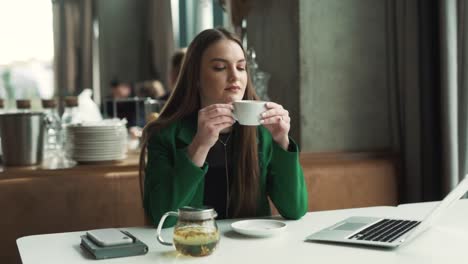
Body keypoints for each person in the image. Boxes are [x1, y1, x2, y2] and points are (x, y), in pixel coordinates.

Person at [140, 28, 307, 227]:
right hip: (193, 250)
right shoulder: (163, 135)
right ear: (196, 77)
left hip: (250, 251)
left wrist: (282, 141)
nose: (235, 76)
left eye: (241, 67)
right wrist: (199, 146)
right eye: (220, 67)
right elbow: (161, 218)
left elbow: (295, 209)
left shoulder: (263, 132)